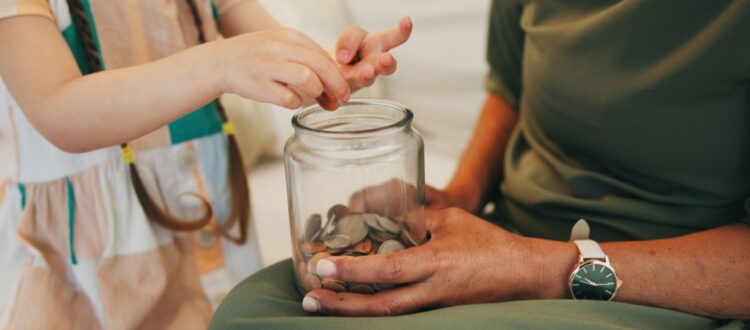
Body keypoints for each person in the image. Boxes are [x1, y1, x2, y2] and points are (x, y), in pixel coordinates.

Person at [209, 1, 750, 328]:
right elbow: (511, 89)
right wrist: (463, 194)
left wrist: (532, 266)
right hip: (509, 230)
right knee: (254, 315)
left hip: (664, 279)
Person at [0, 0, 411, 328]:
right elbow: (59, 110)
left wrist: (332, 69)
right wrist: (220, 64)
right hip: (93, 270)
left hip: (208, 235)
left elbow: (272, 61)